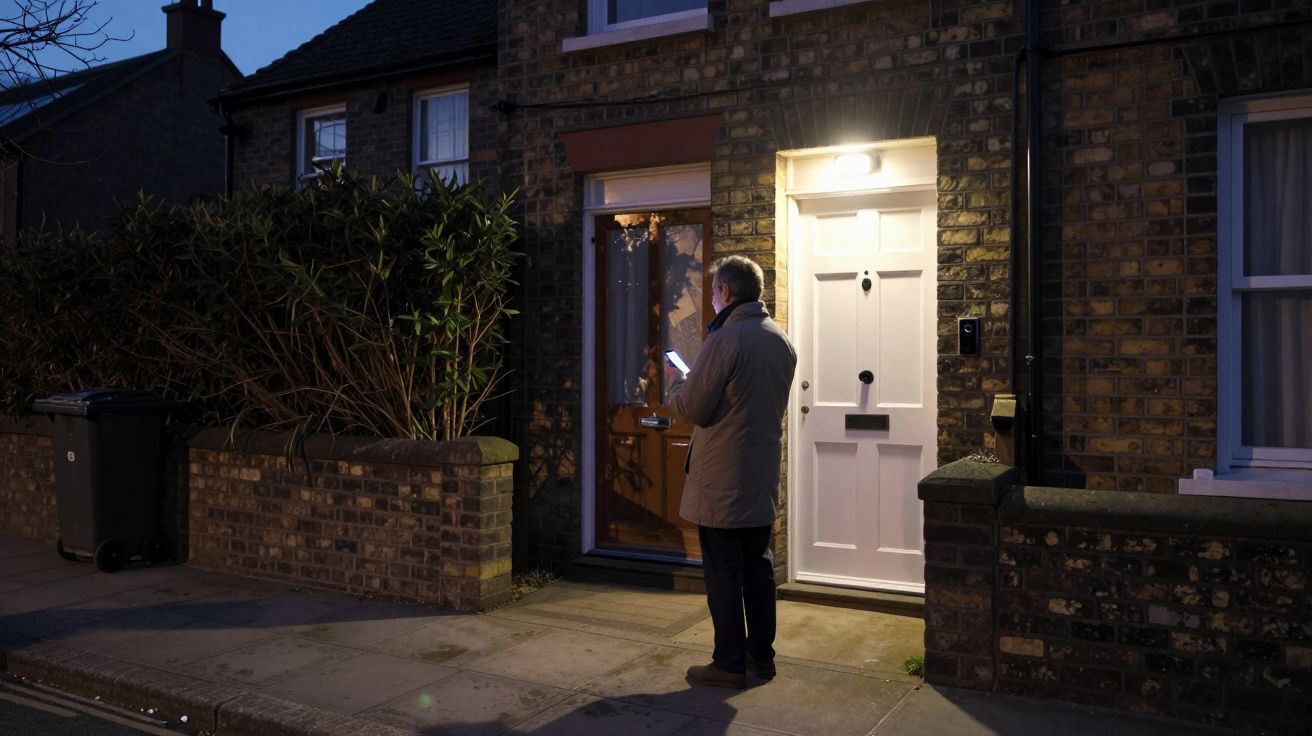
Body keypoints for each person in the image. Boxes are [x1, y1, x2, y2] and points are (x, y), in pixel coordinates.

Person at [664, 254, 797, 689]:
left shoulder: (726, 340)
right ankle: (763, 657)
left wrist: (676, 381)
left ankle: (727, 663)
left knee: (723, 573)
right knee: (758, 568)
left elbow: (694, 408)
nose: (713, 300)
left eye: (714, 292)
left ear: (725, 292)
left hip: (722, 476)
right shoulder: (781, 341)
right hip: (759, 475)